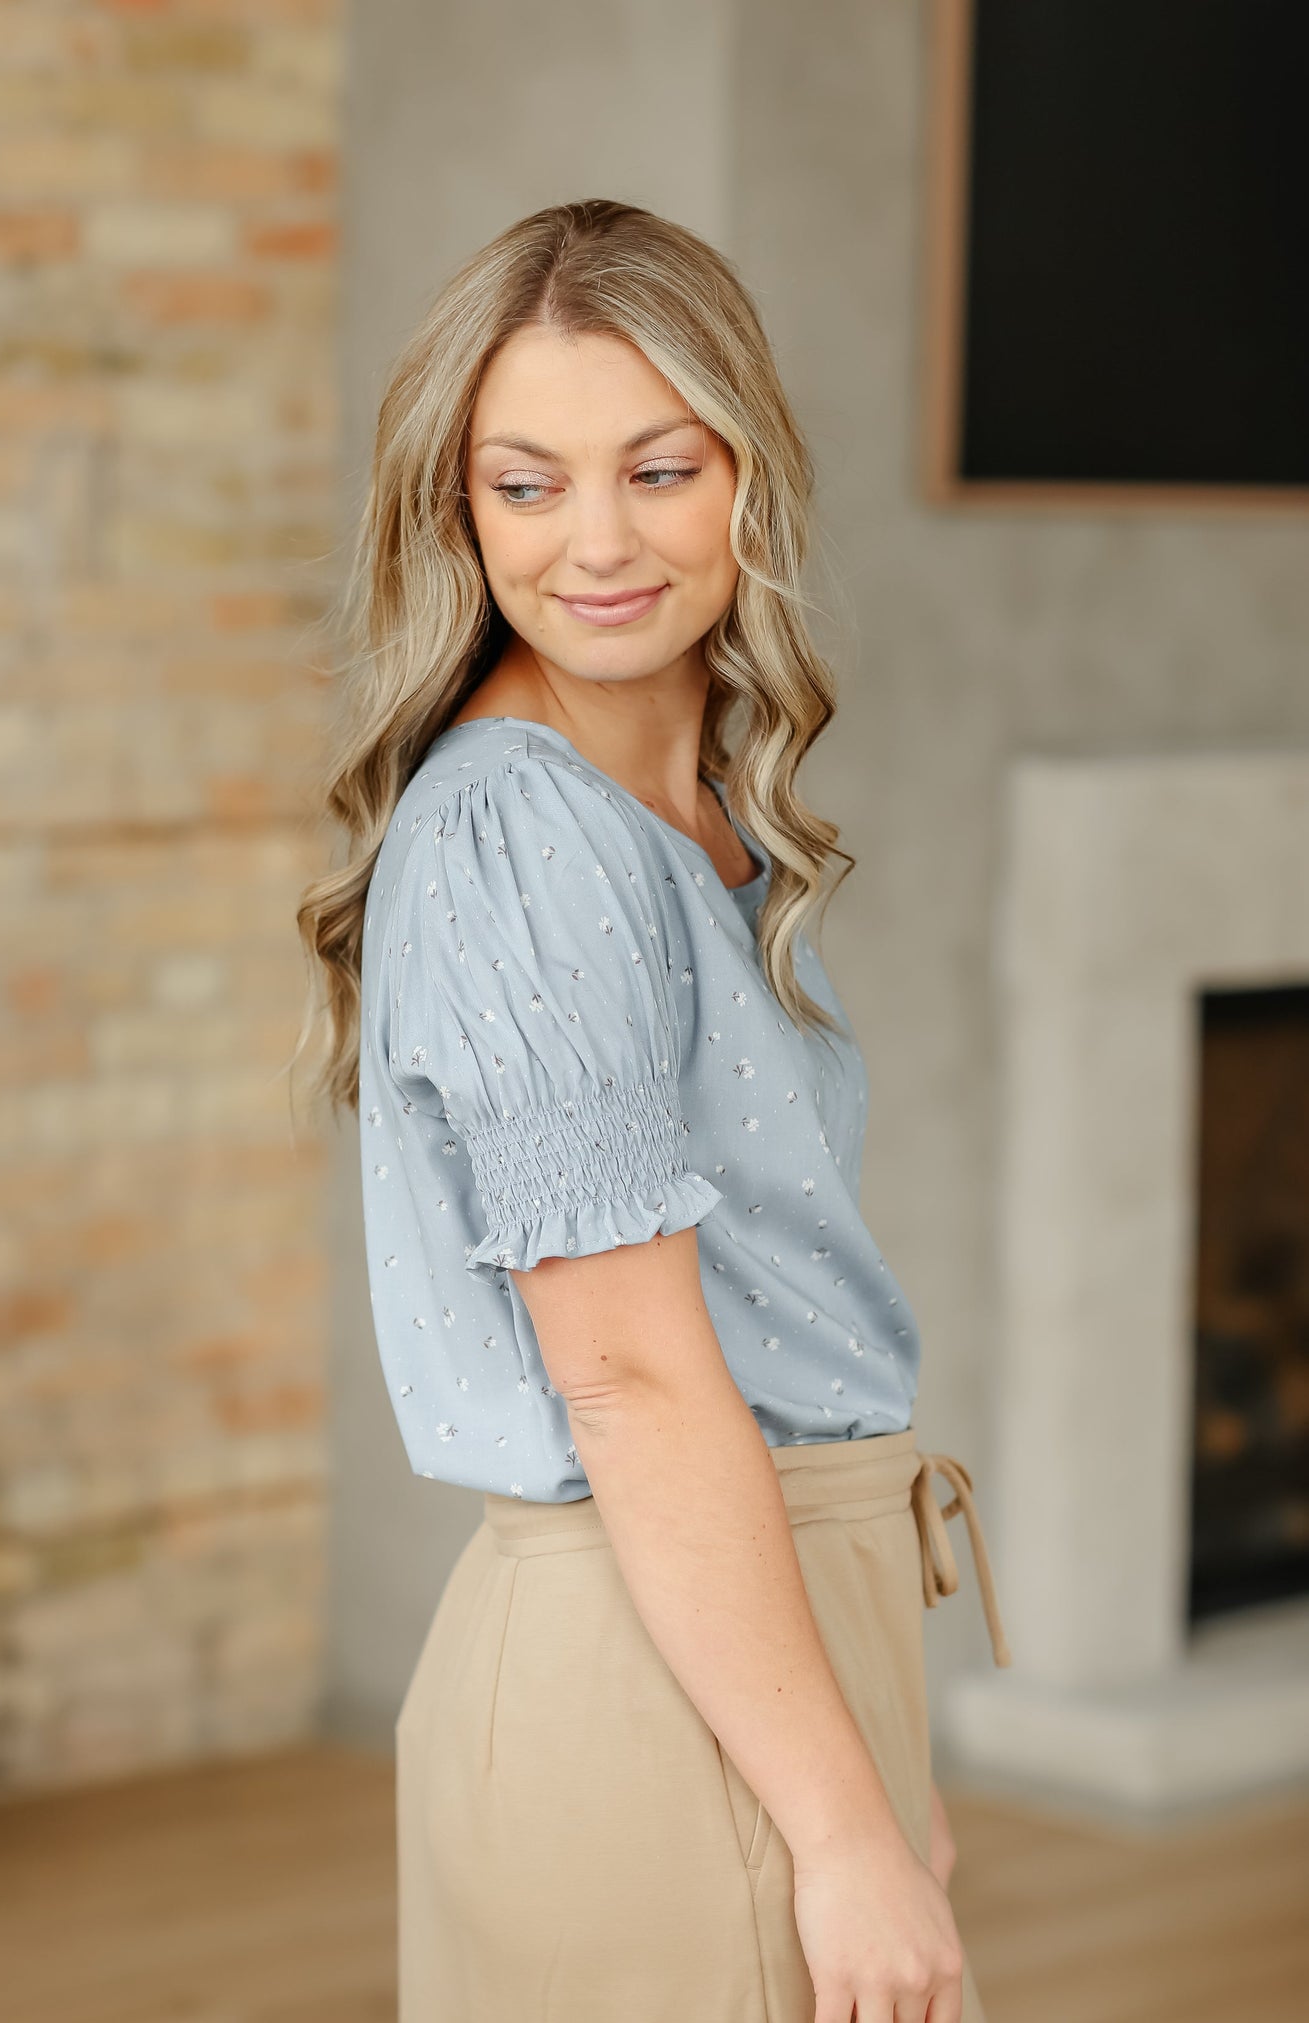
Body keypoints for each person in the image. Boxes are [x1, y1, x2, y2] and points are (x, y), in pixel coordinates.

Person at [296, 198, 1012, 2023]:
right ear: (453, 510)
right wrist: (840, 1828)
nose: (593, 543)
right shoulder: (520, 834)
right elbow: (623, 1373)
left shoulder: (694, 810)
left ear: (747, 476)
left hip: (752, 1633)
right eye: (523, 485)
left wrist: (871, 1764)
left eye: (656, 469)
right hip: (638, 1680)